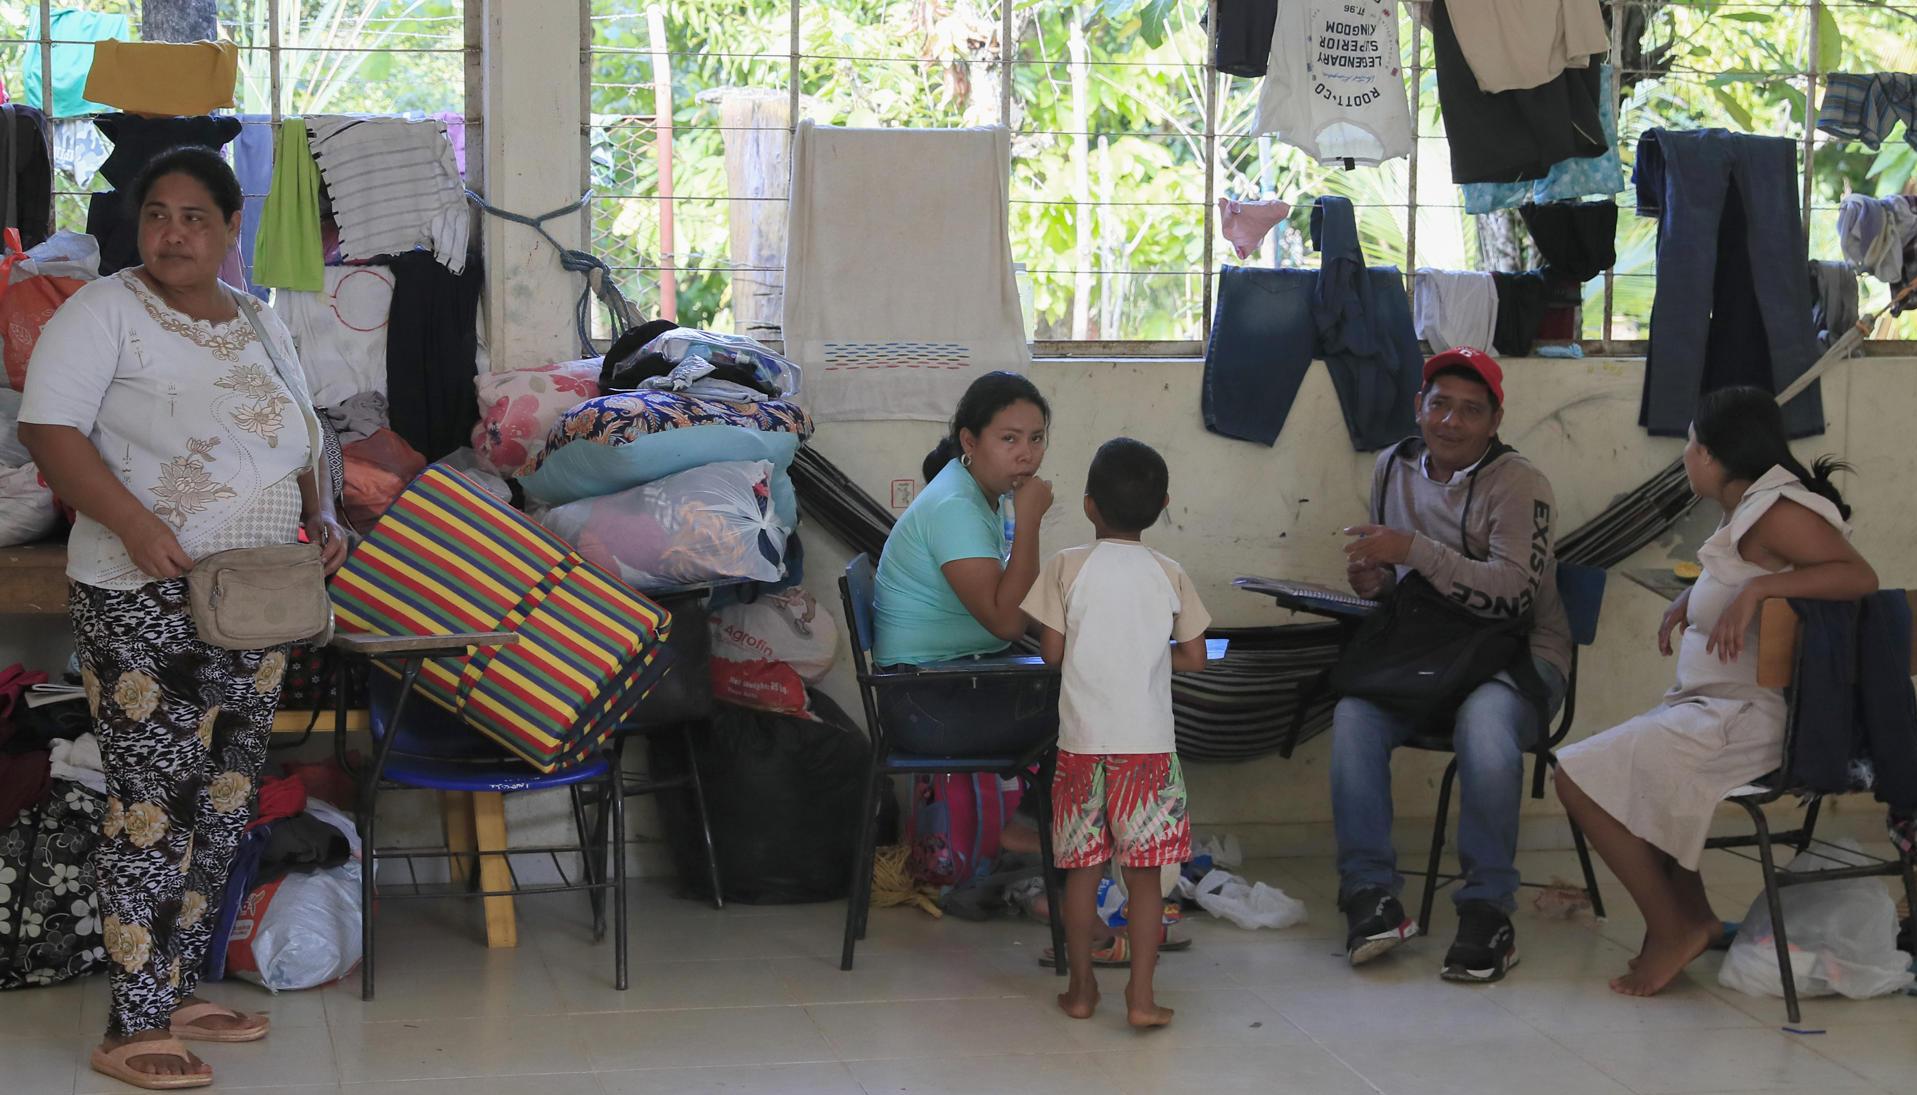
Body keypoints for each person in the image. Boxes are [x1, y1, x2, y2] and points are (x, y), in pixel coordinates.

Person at [18, 146, 349, 1091]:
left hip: (252, 594)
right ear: (139, 224)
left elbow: (304, 433)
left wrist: (321, 513)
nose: (172, 232)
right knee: (151, 806)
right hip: (141, 592)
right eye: (157, 214)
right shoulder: (103, 310)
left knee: (226, 797)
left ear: (229, 227)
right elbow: (48, 429)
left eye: (194, 216)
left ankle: (177, 988)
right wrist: (132, 520)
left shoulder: (256, 319)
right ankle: (130, 1027)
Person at [1555, 386, 1875, 998]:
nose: (1685, 455)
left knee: (1577, 776)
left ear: (1713, 454)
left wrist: (1758, 595)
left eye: (1690, 443)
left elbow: (1858, 577)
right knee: (1633, 769)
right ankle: (1693, 919)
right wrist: (1693, 599)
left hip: (1750, 720)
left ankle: (1673, 927)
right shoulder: (1750, 509)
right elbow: (1749, 572)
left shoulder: (1779, 511)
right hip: (1719, 710)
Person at [1333, 347, 1572, 983]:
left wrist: (1414, 549)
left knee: (1485, 729)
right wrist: (1378, 581)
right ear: (1419, 408)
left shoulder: (1520, 484)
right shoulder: (1393, 465)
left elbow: (1513, 594)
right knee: (1354, 714)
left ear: (1495, 421)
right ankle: (1370, 895)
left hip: (1518, 657)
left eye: (1471, 410)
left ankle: (1488, 910)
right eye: (1439, 404)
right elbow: (1405, 587)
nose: (1451, 421)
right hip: (1429, 653)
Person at [1022, 437, 1209, 1028]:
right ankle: (1142, 999)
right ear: (1165, 504)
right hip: (1149, 752)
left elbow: (1052, 653)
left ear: (1088, 506)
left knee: (1083, 872)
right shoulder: (1169, 573)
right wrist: (1154, 662)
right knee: (1145, 877)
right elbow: (1196, 656)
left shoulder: (1066, 566)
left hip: (1082, 749)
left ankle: (1081, 992)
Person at [872, 370, 1055, 755]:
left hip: (956, 679)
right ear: (969, 441)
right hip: (926, 702)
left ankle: (1031, 816)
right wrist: (1030, 523)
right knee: (1092, 706)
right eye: (1009, 439)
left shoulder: (977, 494)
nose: (1027, 453)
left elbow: (1012, 597)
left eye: (1036, 438)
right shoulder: (956, 506)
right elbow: (1007, 622)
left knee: (1089, 683)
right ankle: (1031, 817)